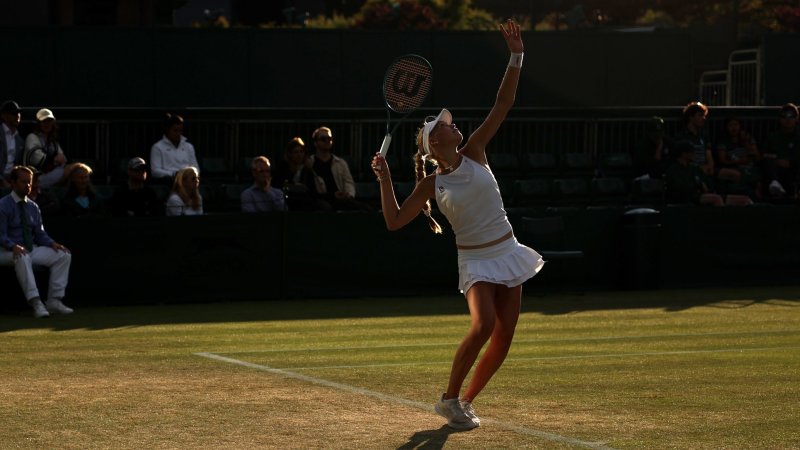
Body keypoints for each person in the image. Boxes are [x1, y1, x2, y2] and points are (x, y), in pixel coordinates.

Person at [370, 20, 543, 430]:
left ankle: (463, 402)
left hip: (508, 249)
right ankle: (448, 397)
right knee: (482, 324)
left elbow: (502, 103)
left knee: (503, 338)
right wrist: (385, 181)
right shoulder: (432, 183)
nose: (452, 123)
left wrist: (516, 56)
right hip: (476, 261)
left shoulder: (476, 150)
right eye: (444, 124)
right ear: (435, 143)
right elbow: (394, 221)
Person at [0, 166, 73, 318]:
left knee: (63, 255)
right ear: (13, 183)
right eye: (23, 182)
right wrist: (13, 246)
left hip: (28, 249)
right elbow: (1, 234)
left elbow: (40, 234)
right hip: (5, 252)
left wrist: (53, 244)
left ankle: (54, 300)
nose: (28, 185)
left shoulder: (33, 207)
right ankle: (36, 302)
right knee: (22, 256)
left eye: (30, 182)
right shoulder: (2, 205)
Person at [310, 126, 373, 212]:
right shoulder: (310, 163)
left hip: (341, 199)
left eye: (330, 138)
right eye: (323, 139)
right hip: (322, 200)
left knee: (367, 209)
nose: (328, 141)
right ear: (315, 142)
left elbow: (348, 182)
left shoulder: (340, 163)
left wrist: (348, 195)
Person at [271, 137, 330, 212]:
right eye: (296, 152)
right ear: (290, 154)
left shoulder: (307, 168)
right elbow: (278, 186)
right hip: (288, 199)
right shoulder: (283, 167)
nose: (299, 155)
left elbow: (313, 191)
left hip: (305, 200)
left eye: (301, 152)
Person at [714, 116, 761, 200]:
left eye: (736, 125)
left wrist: (745, 142)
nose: (734, 128)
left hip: (750, 170)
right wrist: (739, 162)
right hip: (736, 170)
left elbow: (757, 156)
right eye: (730, 125)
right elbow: (722, 161)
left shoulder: (748, 138)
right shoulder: (723, 142)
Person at [762, 103, 800, 199]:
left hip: (794, 171)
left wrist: (790, 163)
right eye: (784, 116)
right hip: (776, 170)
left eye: (791, 116)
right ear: (779, 119)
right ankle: (775, 184)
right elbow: (765, 155)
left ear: (797, 119)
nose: (787, 119)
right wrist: (777, 160)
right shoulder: (772, 137)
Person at [22, 108, 67, 188]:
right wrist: (55, 160)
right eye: (44, 121)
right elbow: (38, 160)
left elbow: (63, 159)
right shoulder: (32, 137)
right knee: (72, 170)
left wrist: (55, 161)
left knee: (74, 171)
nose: (47, 124)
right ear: (38, 123)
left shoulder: (53, 142)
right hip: (34, 178)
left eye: (49, 121)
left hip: (51, 174)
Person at [150, 113, 199, 183]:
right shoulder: (157, 147)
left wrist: (190, 175)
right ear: (167, 130)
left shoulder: (189, 147)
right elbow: (155, 171)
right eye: (175, 130)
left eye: (180, 131)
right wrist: (174, 174)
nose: (178, 134)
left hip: (188, 181)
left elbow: (196, 167)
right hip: (169, 182)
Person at [672, 102, 715, 179]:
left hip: (705, 168)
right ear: (691, 117)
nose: (703, 118)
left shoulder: (704, 135)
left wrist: (710, 167)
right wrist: (699, 168)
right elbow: (683, 160)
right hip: (691, 170)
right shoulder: (682, 136)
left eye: (704, 116)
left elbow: (709, 155)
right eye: (700, 115)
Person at [1, 100, 25, 188]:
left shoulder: (19, 138)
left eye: (18, 113)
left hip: (11, 179)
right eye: (13, 113)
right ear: (4, 116)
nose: (17, 116)